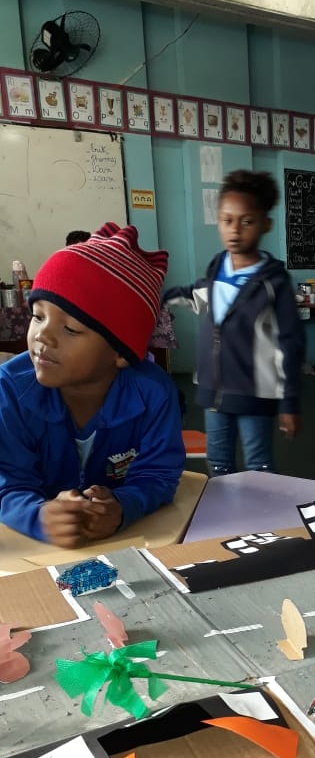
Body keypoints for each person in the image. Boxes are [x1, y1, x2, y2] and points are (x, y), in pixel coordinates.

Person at [0, 223, 185, 547]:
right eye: (38, 316)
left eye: (71, 329)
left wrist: (123, 506)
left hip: (126, 548)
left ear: (120, 353)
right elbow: (7, 482)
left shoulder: (154, 394)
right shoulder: (10, 390)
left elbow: (158, 475)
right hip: (34, 553)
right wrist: (39, 516)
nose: (42, 336)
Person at [164, 170, 305, 474]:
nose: (235, 230)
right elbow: (199, 294)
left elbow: (290, 344)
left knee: (258, 468)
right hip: (215, 391)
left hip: (255, 393)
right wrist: (157, 297)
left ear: (266, 224)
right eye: (227, 220)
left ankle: (259, 509)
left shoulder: (274, 282)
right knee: (218, 466)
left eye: (247, 221)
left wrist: (289, 403)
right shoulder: (218, 266)